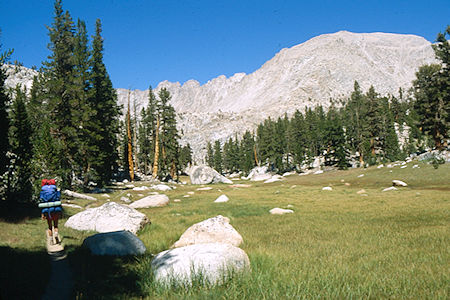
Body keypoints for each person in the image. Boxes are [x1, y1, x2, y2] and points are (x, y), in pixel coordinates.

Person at [39, 179, 62, 245]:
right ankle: (56, 234)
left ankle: (51, 240)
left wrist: (43, 214)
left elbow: (41, 200)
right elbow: (58, 197)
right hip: (55, 209)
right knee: (55, 225)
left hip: (47, 210)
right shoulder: (55, 190)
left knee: (49, 226)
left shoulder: (43, 191)